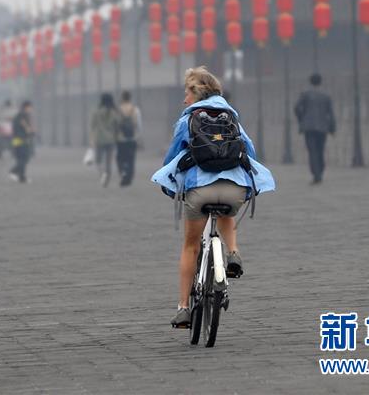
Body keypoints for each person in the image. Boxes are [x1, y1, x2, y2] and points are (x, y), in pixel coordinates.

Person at [151, 66, 275, 328]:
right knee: (226, 211)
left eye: (187, 92)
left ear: (197, 94)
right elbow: (249, 152)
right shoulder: (233, 119)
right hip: (234, 191)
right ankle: (233, 252)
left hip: (199, 190)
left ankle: (183, 308)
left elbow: (171, 159)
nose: (184, 98)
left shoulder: (187, 121)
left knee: (190, 245)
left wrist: (170, 184)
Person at [294, 73, 336, 184]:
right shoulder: (326, 96)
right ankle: (320, 171)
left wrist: (302, 119)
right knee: (320, 150)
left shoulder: (305, 94)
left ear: (310, 82)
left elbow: (297, 108)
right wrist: (332, 128)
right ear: (320, 82)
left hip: (309, 127)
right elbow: (330, 113)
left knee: (312, 151)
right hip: (322, 127)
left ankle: (316, 174)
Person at [90, 93, 119, 187]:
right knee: (108, 161)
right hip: (110, 139)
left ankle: (103, 174)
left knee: (98, 160)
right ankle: (107, 174)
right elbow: (117, 126)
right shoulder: (114, 112)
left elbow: (92, 126)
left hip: (99, 139)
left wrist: (92, 139)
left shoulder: (96, 112)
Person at [116, 91, 141, 187]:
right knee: (131, 159)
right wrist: (138, 137)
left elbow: (115, 124)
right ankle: (128, 178)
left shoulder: (118, 110)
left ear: (122, 98)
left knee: (120, 158)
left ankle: (123, 172)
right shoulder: (135, 110)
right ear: (130, 98)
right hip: (132, 138)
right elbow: (139, 125)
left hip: (120, 139)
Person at [9, 101, 35, 183]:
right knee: (24, 158)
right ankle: (13, 171)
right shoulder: (23, 115)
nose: (31, 109)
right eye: (30, 107)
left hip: (17, 140)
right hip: (22, 140)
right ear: (26, 107)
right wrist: (31, 131)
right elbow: (26, 127)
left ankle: (21, 177)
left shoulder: (19, 115)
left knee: (21, 159)